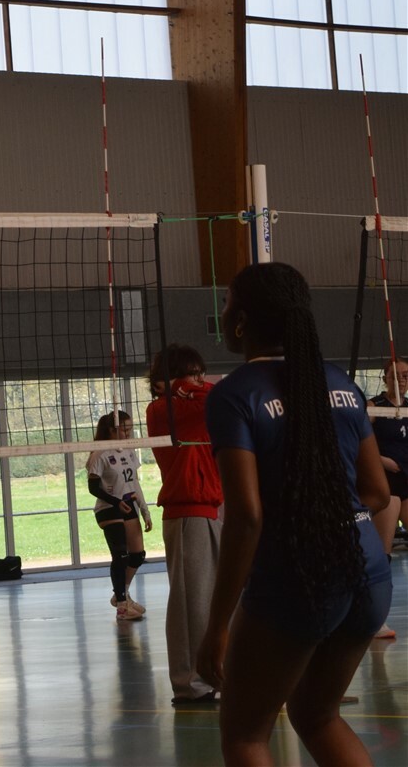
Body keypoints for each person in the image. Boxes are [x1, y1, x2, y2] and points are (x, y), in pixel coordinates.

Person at [198, 262, 394, 767]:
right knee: (317, 715)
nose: (224, 314)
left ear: (242, 321)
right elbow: (377, 492)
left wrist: (217, 625)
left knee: (245, 735)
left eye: (226, 303)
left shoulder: (234, 395)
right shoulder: (341, 382)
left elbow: (247, 516)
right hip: (368, 571)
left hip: (298, 577)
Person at [147, 343, 223, 704]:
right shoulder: (161, 410)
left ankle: (221, 673)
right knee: (192, 601)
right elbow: (212, 397)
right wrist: (182, 387)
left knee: (221, 599)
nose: (197, 380)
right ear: (165, 381)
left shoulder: (195, 404)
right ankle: (191, 684)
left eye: (199, 373)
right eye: (189, 374)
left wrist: (186, 385)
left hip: (218, 505)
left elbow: (220, 398)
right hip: (188, 510)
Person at [86, 410, 152, 621]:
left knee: (137, 555)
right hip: (109, 507)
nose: (128, 433)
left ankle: (121, 594)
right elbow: (93, 487)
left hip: (128, 504)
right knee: (120, 556)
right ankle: (122, 606)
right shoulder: (99, 453)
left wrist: (145, 510)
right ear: (111, 430)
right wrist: (116, 501)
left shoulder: (129, 451)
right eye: (124, 429)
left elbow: (135, 484)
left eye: (130, 429)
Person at [368, 357, 407, 639]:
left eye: (405, 375)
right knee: (384, 554)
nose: (401, 380)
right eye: (395, 375)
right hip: (387, 483)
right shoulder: (374, 406)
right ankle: (376, 618)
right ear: (385, 378)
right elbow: (360, 441)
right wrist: (382, 462)